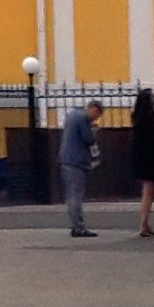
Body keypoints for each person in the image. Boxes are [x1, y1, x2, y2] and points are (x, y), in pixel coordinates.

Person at [57, 97, 99, 237]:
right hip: (76, 162)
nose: (95, 119)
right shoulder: (83, 119)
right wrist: (94, 131)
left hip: (66, 160)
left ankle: (75, 225)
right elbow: (88, 139)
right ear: (93, 109)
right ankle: (78, 227)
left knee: (71, 195)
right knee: (76, 195)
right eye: (97, 115)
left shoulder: (72, 115)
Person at [131, 88, 154, 238]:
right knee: (149, 192)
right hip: (151, 156)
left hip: (140, 155)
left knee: (147, 191)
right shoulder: (151, 117)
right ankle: (144, 224)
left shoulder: (135, 117)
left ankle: (145, 224)